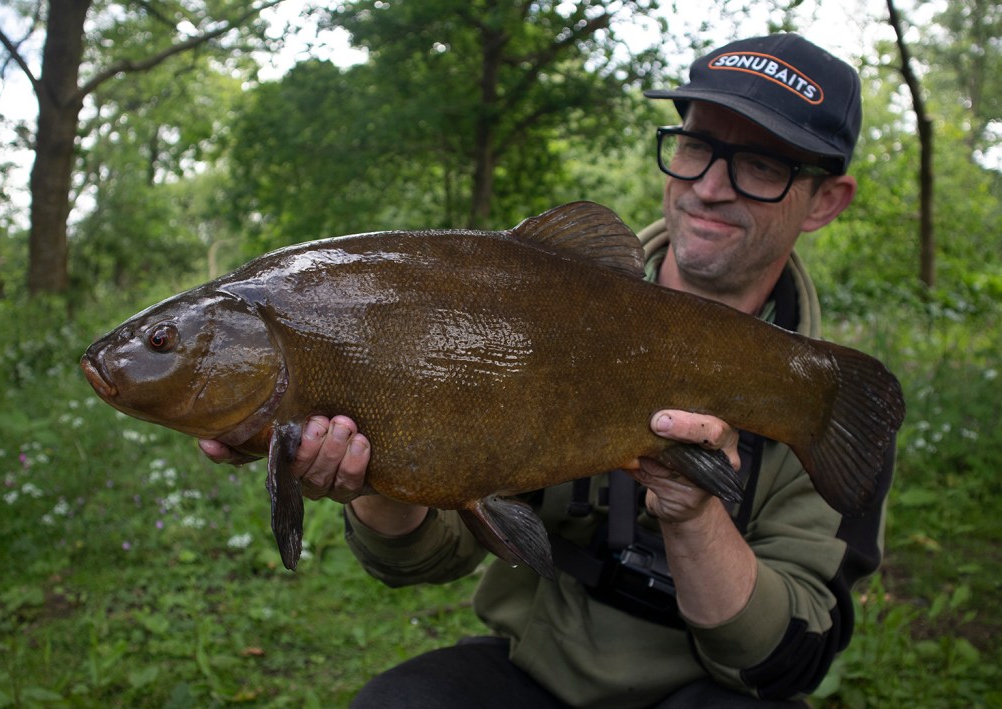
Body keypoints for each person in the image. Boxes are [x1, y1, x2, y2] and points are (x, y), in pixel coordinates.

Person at [201, 33, 893, 707]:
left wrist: (694, 517)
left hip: (706, 689)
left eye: (761, 166)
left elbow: (788, 662)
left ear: (826, 200)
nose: (710, 187)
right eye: (695, 147)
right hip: (533, 672)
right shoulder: (534, 308)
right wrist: (375, 481)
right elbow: (429, 557)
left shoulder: (819, 392)